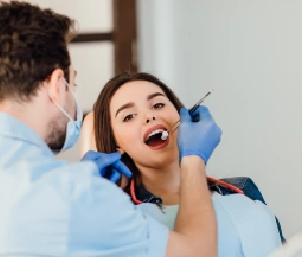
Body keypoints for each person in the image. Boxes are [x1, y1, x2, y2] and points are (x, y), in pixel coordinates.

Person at [0, 2, 221, 257]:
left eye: (157, 105)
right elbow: (197, 252)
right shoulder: (76, 194)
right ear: (55, 84)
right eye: (72, 83)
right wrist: (193, 159)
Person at [87, 72, 283, 257]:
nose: (149, 116)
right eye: (129, 116)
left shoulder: (242, 190)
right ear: (116, 143)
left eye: (157, 105)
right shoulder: (116, 219)